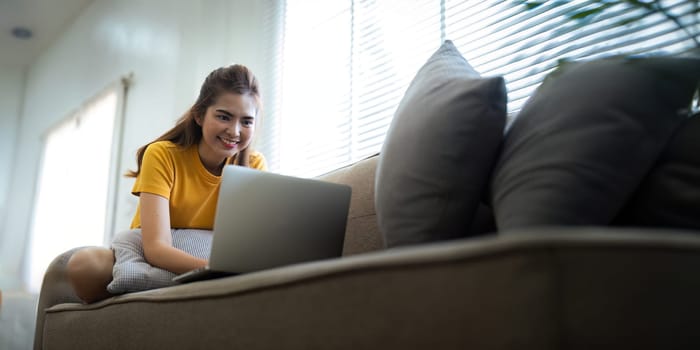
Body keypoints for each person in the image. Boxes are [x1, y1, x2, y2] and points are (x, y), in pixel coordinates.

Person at [66, 64, 267, 303]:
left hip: (210, 258)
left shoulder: (254, 164)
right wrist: (214, 271)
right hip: (159, 256)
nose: (234, 131)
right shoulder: (162, 154)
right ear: (200, 115)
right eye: (224, 117)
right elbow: (156, 249)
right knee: (84, 265)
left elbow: (248, 244)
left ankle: (170, 288)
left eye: (246, 121)